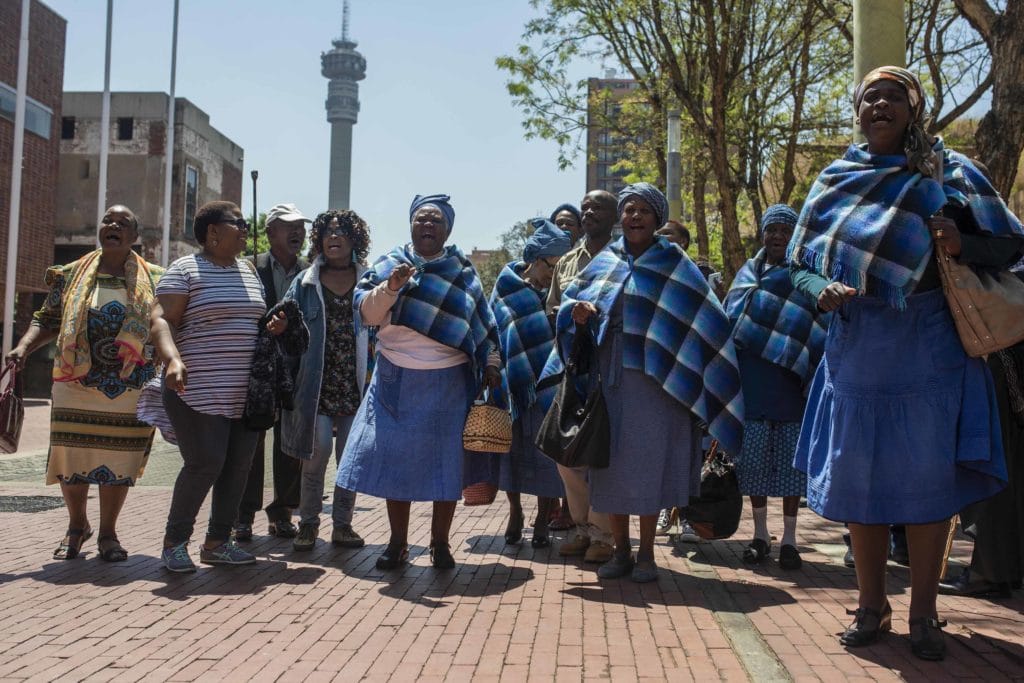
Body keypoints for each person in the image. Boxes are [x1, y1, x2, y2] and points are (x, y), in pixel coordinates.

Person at [789, 66, 1024, 660]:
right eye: (870, 96)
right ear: (858, 111)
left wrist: (959, 243)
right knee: (857, 482)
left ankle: (924, 615)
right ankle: (872, 607)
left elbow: (1009, 243)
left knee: (928, 485)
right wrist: (819, 287)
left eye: (894, 96)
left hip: (932, 349)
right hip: (857, 350)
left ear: (913, 110)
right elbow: (798, 261)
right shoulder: (835, 179)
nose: (880, 104)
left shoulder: (951, 172)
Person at [545, 182, 744, 582]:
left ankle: (649, 555)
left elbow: (708, 317)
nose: (634, 217)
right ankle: (620, 552)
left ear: (656, 219)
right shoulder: (606, 261)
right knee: (613, 469)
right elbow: (568, 307)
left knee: (649, 469)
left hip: (660, 386)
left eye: (643, 211)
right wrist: (577, 313)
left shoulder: (674, 262)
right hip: (610, 383)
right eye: (629, 210)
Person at [5, 205, 185, 562]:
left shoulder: (158, 278)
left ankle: (108, 533)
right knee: (72, 456)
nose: (113, 226)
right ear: (100, 230)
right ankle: (76, 527)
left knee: (120, 459)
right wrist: (24, 345)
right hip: (75, 383)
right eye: (107, 220)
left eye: (123, 223)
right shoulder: (71, 274)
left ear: (136, 238)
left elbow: (167, 324)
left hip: (130, 387)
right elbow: (48, 318)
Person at [336, 194, 501, 570]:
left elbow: (483, 326)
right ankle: (397, 545)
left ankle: (440, 544)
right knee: (397, 464)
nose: (428, 225)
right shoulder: (391, 262)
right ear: (410, 223)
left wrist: (491, 362)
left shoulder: (461, 270)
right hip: (395, 377)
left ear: (448, 229)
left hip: (449, 382)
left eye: (436, 221)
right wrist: (391, 288)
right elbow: (366, 313)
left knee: (447, 465)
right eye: (422, 219)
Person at [157, 201, 292, 572]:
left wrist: (273, 327)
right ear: (213, 232)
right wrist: (173, 360)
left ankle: (218, 541)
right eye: (240, 224)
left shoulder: (247, 270)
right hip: (195, 388)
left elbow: (252, 322)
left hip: (245, 393)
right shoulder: (184, 269)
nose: (247, 229)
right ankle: (174, 543)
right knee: (205, 463)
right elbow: (162, 321)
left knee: (238, 467)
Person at [723, 204, 829, 571]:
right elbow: (730, 320)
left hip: (789, 382)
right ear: (763, 234)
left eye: (786, 230)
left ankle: (789, 540)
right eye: (772, 230)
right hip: (750, 381)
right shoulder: (747, 273)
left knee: (788, 466)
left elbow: (816, 328)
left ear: (795, 235)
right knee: (752, 464)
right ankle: (760, 536)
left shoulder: (804, 274)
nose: (778, 236)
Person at [279, 210, 371, 552]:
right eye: (328, 232)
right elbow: (284, 323)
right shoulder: (305, 282)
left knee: (349, 459)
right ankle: (308, 525)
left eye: (342, 232)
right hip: (314, 386)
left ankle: (343, 526)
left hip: (356, 386)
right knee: (315, 454)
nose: (334, 237)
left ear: (354, 240)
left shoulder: (369, 280)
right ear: (319, 240)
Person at [486, 218, 572, 547]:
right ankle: (515, 512)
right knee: (512, 455)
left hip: (551, 385)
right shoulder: (506, 287)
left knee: (548, 459)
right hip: (514, 387)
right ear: (536, 260)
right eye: (553, 265)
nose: (557, 274)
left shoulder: (563, 289)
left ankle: (540, 521)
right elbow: (492, 332)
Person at [544, 190, 618, 564]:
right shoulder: (567, 261)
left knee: (602, 452)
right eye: (585, 206)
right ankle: (579, 527)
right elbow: (552, 310)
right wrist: (570, 314)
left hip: (614, 367)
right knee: (567, 452)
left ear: (615, 216)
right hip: (574, 367)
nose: (589, 212)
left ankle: (605, 536)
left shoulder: (624, 257)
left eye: (598, 208)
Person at [234, 203, 310, 541]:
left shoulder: (312, 271)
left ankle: (282, 513)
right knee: (249, 446)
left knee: (290, 447)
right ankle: (242, 516)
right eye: (288, 226)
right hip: (257, 372)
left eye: (301, 227)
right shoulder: (248, 268)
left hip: (298, 372)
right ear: (269, 233)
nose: (297, 232)